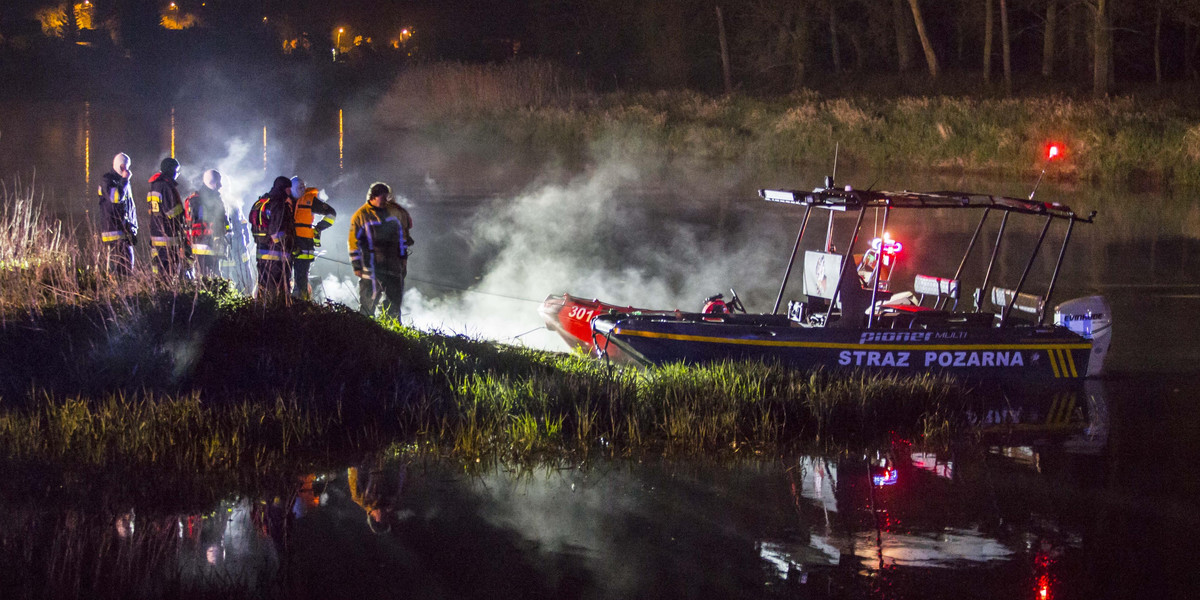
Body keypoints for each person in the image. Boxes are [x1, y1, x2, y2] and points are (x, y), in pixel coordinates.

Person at [348, 182, 413, 320]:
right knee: (367, 304)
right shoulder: (361, 215)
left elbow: (403, 237)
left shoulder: (394, 212)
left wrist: (403, 261)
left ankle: (392, 331)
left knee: (393, 305)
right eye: (382, 198)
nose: (385, 201)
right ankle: (366, 330)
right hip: (370, 267)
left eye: (386, 198)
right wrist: (356, 265)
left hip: (393, 266)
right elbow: (353, 243)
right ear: (373, 197)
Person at [288, 176, 337, 300]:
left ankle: (301, 306)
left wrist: (319, 228)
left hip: (304, 245)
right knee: (285, 278)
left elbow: (331, 214)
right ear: (291, 188)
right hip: (287, 244)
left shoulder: (310, 200)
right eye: (299, 187)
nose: (302, 189)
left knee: (301, 279)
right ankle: (285, 306)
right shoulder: (285, 200)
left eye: (303, 186)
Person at [249, 176, 294, 302]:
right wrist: (289, 246)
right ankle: (276, 314)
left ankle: (261, 310)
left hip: (261, 252)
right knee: (277, 289)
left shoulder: (260, 202)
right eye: (289, 189)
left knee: (263, 285)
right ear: (284, 189)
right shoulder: (278, 203)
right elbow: (275, 232)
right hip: (276, 255)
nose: (290, 193)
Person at [147, 157, 191, 279]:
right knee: (169, 268)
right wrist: (183, 215)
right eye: (177, 171)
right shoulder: (166, 186)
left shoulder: (154, 185)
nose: (177, 174)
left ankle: (160, 290)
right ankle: (169, 293)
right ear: (171, 170)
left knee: (160, 267)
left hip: (156, 232)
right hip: (167, 234)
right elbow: (171, 211)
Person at [96, 152, 138, 276]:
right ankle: (119, 290)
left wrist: (132, 228)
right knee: (122, 268)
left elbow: (128, 207)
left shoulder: (120, 181)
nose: (128, 170)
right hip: (114, 231)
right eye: (126, 167)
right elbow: (116, 198)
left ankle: (123, 290)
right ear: (121, 166)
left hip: (124, 231)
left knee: (127, 266)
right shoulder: (108, 180)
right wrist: (125, 180)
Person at [185, 169, 232, 279]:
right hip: (211, 242)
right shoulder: (214, 199)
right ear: (212, 182)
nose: (220, 186)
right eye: (218, 182)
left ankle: (201, 295)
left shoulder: (193, 199)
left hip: (196, 243)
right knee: (214, 276)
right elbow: (220, 221)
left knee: (200, 275)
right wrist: (226, 231)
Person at [221, 202, 256, 294]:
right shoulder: (224, 207)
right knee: (233, 270)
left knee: (245, 268)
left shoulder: (236, 206)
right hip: (231, 246)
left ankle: (247, 293)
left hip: (240, 244)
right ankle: (237, 293)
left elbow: (244, 224)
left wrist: (246, 239)